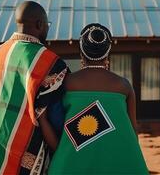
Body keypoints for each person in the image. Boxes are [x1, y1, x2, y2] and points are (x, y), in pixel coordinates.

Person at [0, 1, 68, 175]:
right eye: (47, 25)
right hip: (26, 159)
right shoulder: (51, 64)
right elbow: (54, 116)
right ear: (40, 24)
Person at [47, 23, 149, 174]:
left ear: (82, 54)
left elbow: (56, 128)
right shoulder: (124, 86)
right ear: (107, 54)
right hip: (120, 165)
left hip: (71, 165)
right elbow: (133, 134)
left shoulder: (65, 83)